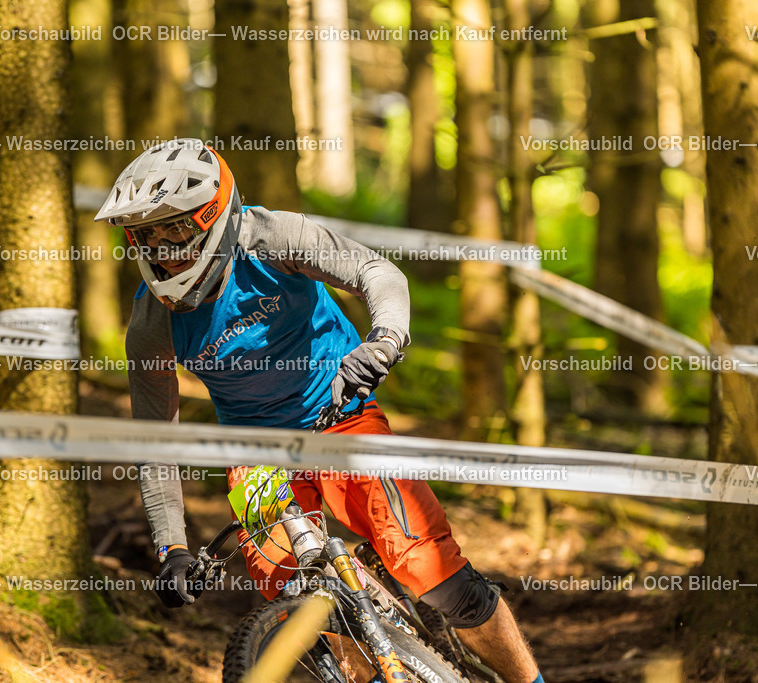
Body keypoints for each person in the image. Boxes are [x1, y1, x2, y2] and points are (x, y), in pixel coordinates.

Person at [95, 138, 545, 683]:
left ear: (212, 217)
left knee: (438, 576)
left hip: (341, 416)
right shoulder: (152, 323)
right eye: (147, 235)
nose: (163, 249)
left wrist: (382, 343)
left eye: (175, 230)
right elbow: (155, 442)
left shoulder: (273, 236)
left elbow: (378, 273)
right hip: (256, 455)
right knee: (305, 599)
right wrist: (171, 548)